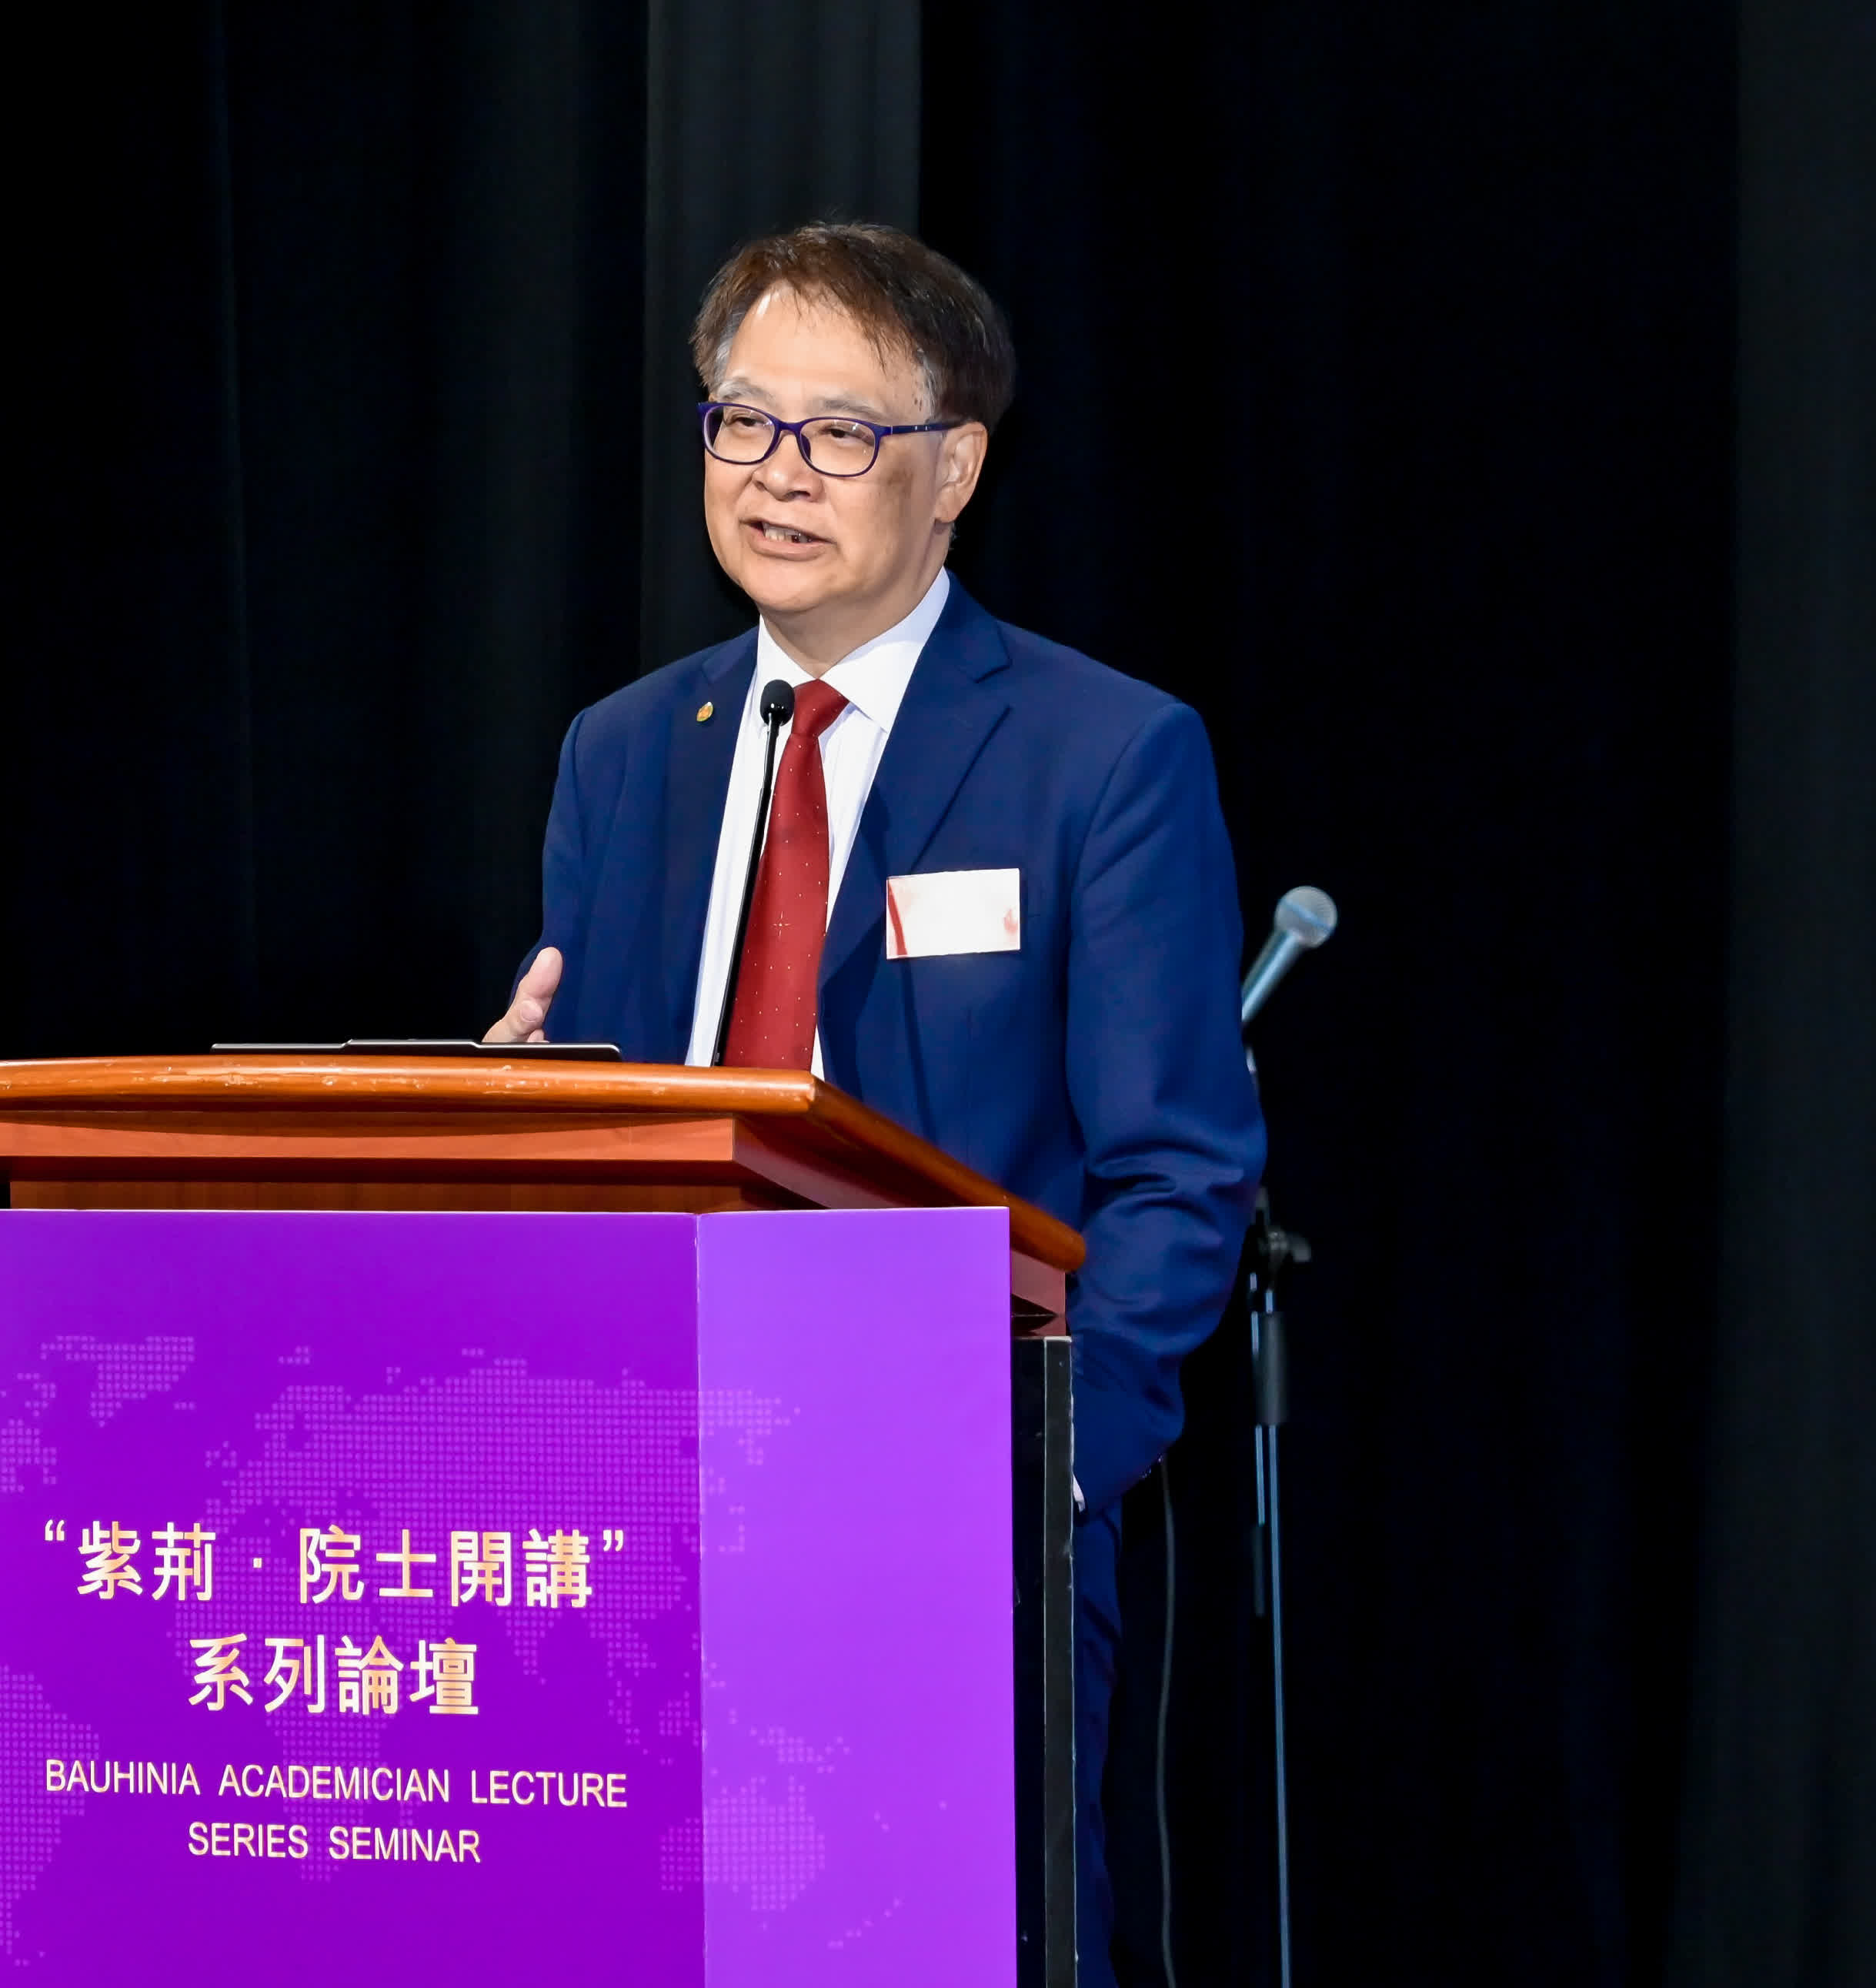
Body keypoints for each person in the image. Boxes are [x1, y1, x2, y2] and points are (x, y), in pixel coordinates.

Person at [486, 221, 1264, 1982]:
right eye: (744, 421)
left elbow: (1178, 1170)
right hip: (636, 1490)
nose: (778, 472)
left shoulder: (1102, 755)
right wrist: (514, 1112)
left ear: (955, 469)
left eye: (840, 433)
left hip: (948, 1499)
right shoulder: (627, 751)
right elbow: (608, 1114)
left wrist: (1052, 1470)